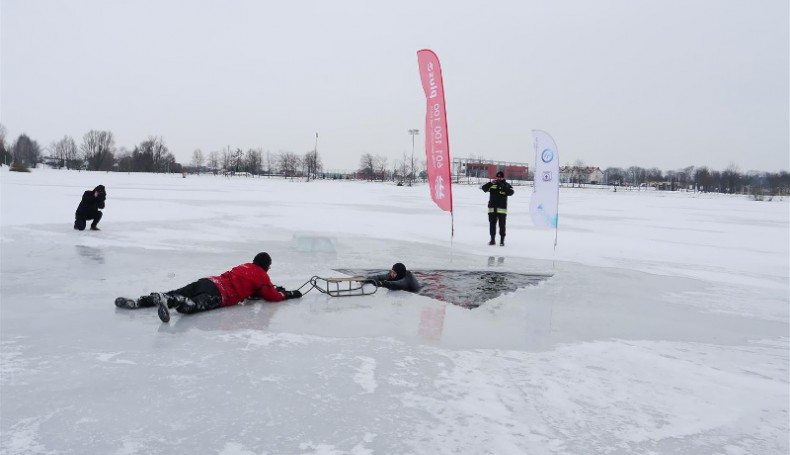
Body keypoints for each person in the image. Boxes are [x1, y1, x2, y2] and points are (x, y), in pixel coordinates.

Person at [115, 252, 302, 323]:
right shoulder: (261, 275)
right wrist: (289, 294)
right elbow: (272, 296)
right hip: (220, 294)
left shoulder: (244, 266)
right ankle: (172, 302)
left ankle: (140, 302)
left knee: (177, 291)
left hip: (208, 281)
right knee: (191, 306)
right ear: (266, 266)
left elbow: (254, 290)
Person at [481, 171, 514, 246]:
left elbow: (511, 192)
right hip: (492, 209)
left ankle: (502, 241)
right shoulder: (492, 185)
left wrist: (502, 186)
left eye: (500, 177)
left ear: (503, 177)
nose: (499, 178)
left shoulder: (506, 185)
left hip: (502, 210)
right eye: (497, 177)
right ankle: (492, 240)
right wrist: (490, 183)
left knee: (502, 225)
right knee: (492, 225)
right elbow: (484, 188)